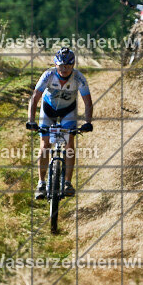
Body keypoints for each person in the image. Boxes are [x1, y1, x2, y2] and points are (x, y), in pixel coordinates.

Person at [26, 47, 93, 199]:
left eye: (68, 66)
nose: (64, 69)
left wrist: (88, 122)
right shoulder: (48, 75)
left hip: (68, 111)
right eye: (61, 66)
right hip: (48, 109)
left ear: (73, 65)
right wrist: (31, 120)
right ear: (55, 64)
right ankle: (41, 183)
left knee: (69, 145)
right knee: (44, 145)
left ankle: (68, 183)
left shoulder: (79, 78)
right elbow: (35, 98)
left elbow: (88, 102)